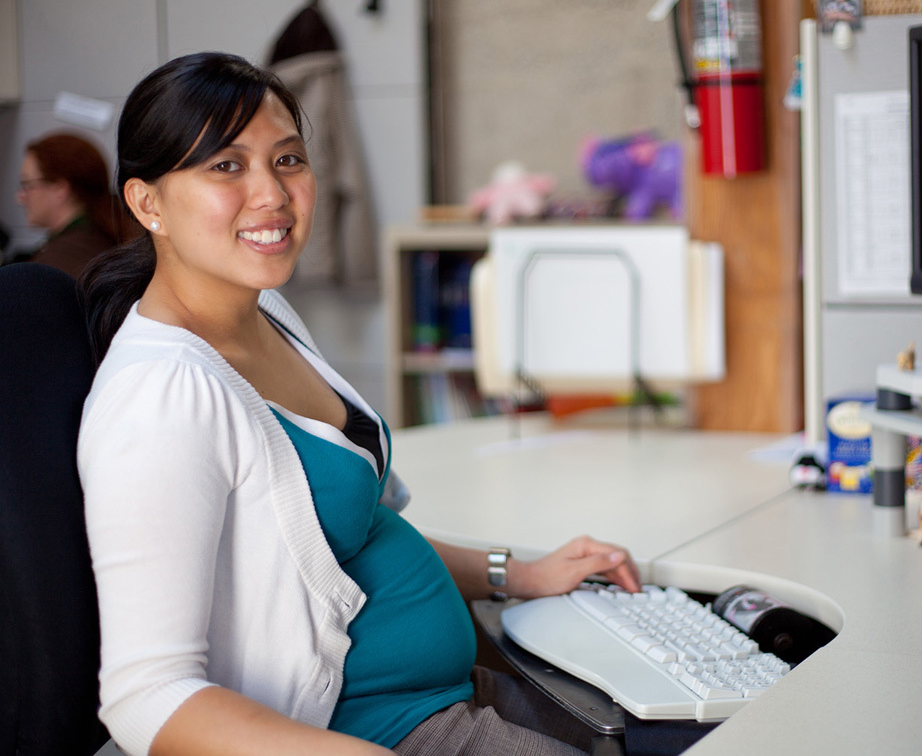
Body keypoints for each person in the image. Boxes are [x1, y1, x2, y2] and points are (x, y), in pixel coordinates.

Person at [78, 52, 641, 756]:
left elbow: (349, 532)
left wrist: (517, 574)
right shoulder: (159, 398)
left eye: (288, 160)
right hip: (374, 734)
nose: (272, 195)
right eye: (226, 166)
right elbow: (146, 698)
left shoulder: (267, 313)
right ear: (147, 202)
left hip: (438, 694)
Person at [13, 132, 122, 278]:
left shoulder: (58, 262)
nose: (19, 198)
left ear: (60, 189)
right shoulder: (97, 241)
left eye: (27, 185)